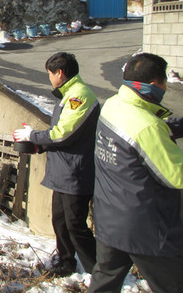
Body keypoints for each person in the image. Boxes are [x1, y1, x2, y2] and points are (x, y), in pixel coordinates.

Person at [88, 53, 183, 293]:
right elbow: (176, 176)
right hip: (146, 229)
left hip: (111, 220)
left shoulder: (113, 105)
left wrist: (170, 127)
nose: (165, 88)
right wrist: (161, 133)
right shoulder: (147, 127)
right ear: (154, 84)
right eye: (164, 82)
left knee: (104, 282)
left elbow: (134, 136)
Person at [13, 52, 99, 276]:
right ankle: (66, 262)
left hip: (75, 172)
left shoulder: (79, 96)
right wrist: (39, 145)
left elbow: (62, 134)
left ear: (59, 73)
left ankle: (99, 272)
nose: (49, 78)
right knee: (61, 222)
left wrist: (34, 136)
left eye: (50, 74)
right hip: (62, 171)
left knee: (75, 225)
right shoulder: (69, 94)